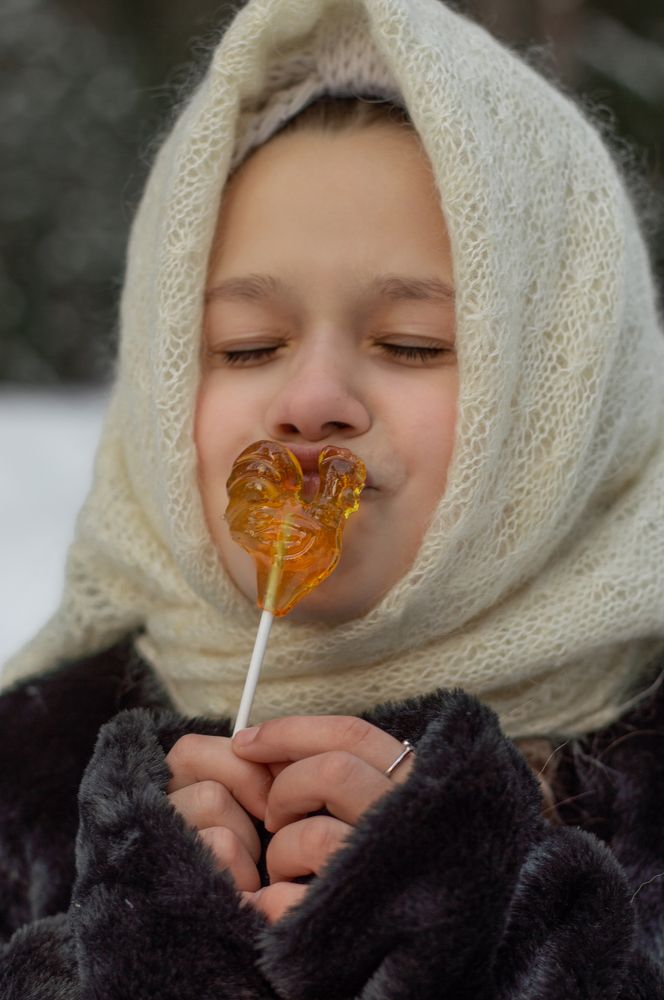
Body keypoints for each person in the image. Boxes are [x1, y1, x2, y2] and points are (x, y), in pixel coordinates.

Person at [2, 0, 664, 996]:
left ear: (563, 394)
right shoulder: (37, 775)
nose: (310, 401)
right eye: (247, 347)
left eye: (411, 343)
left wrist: (497, 938)